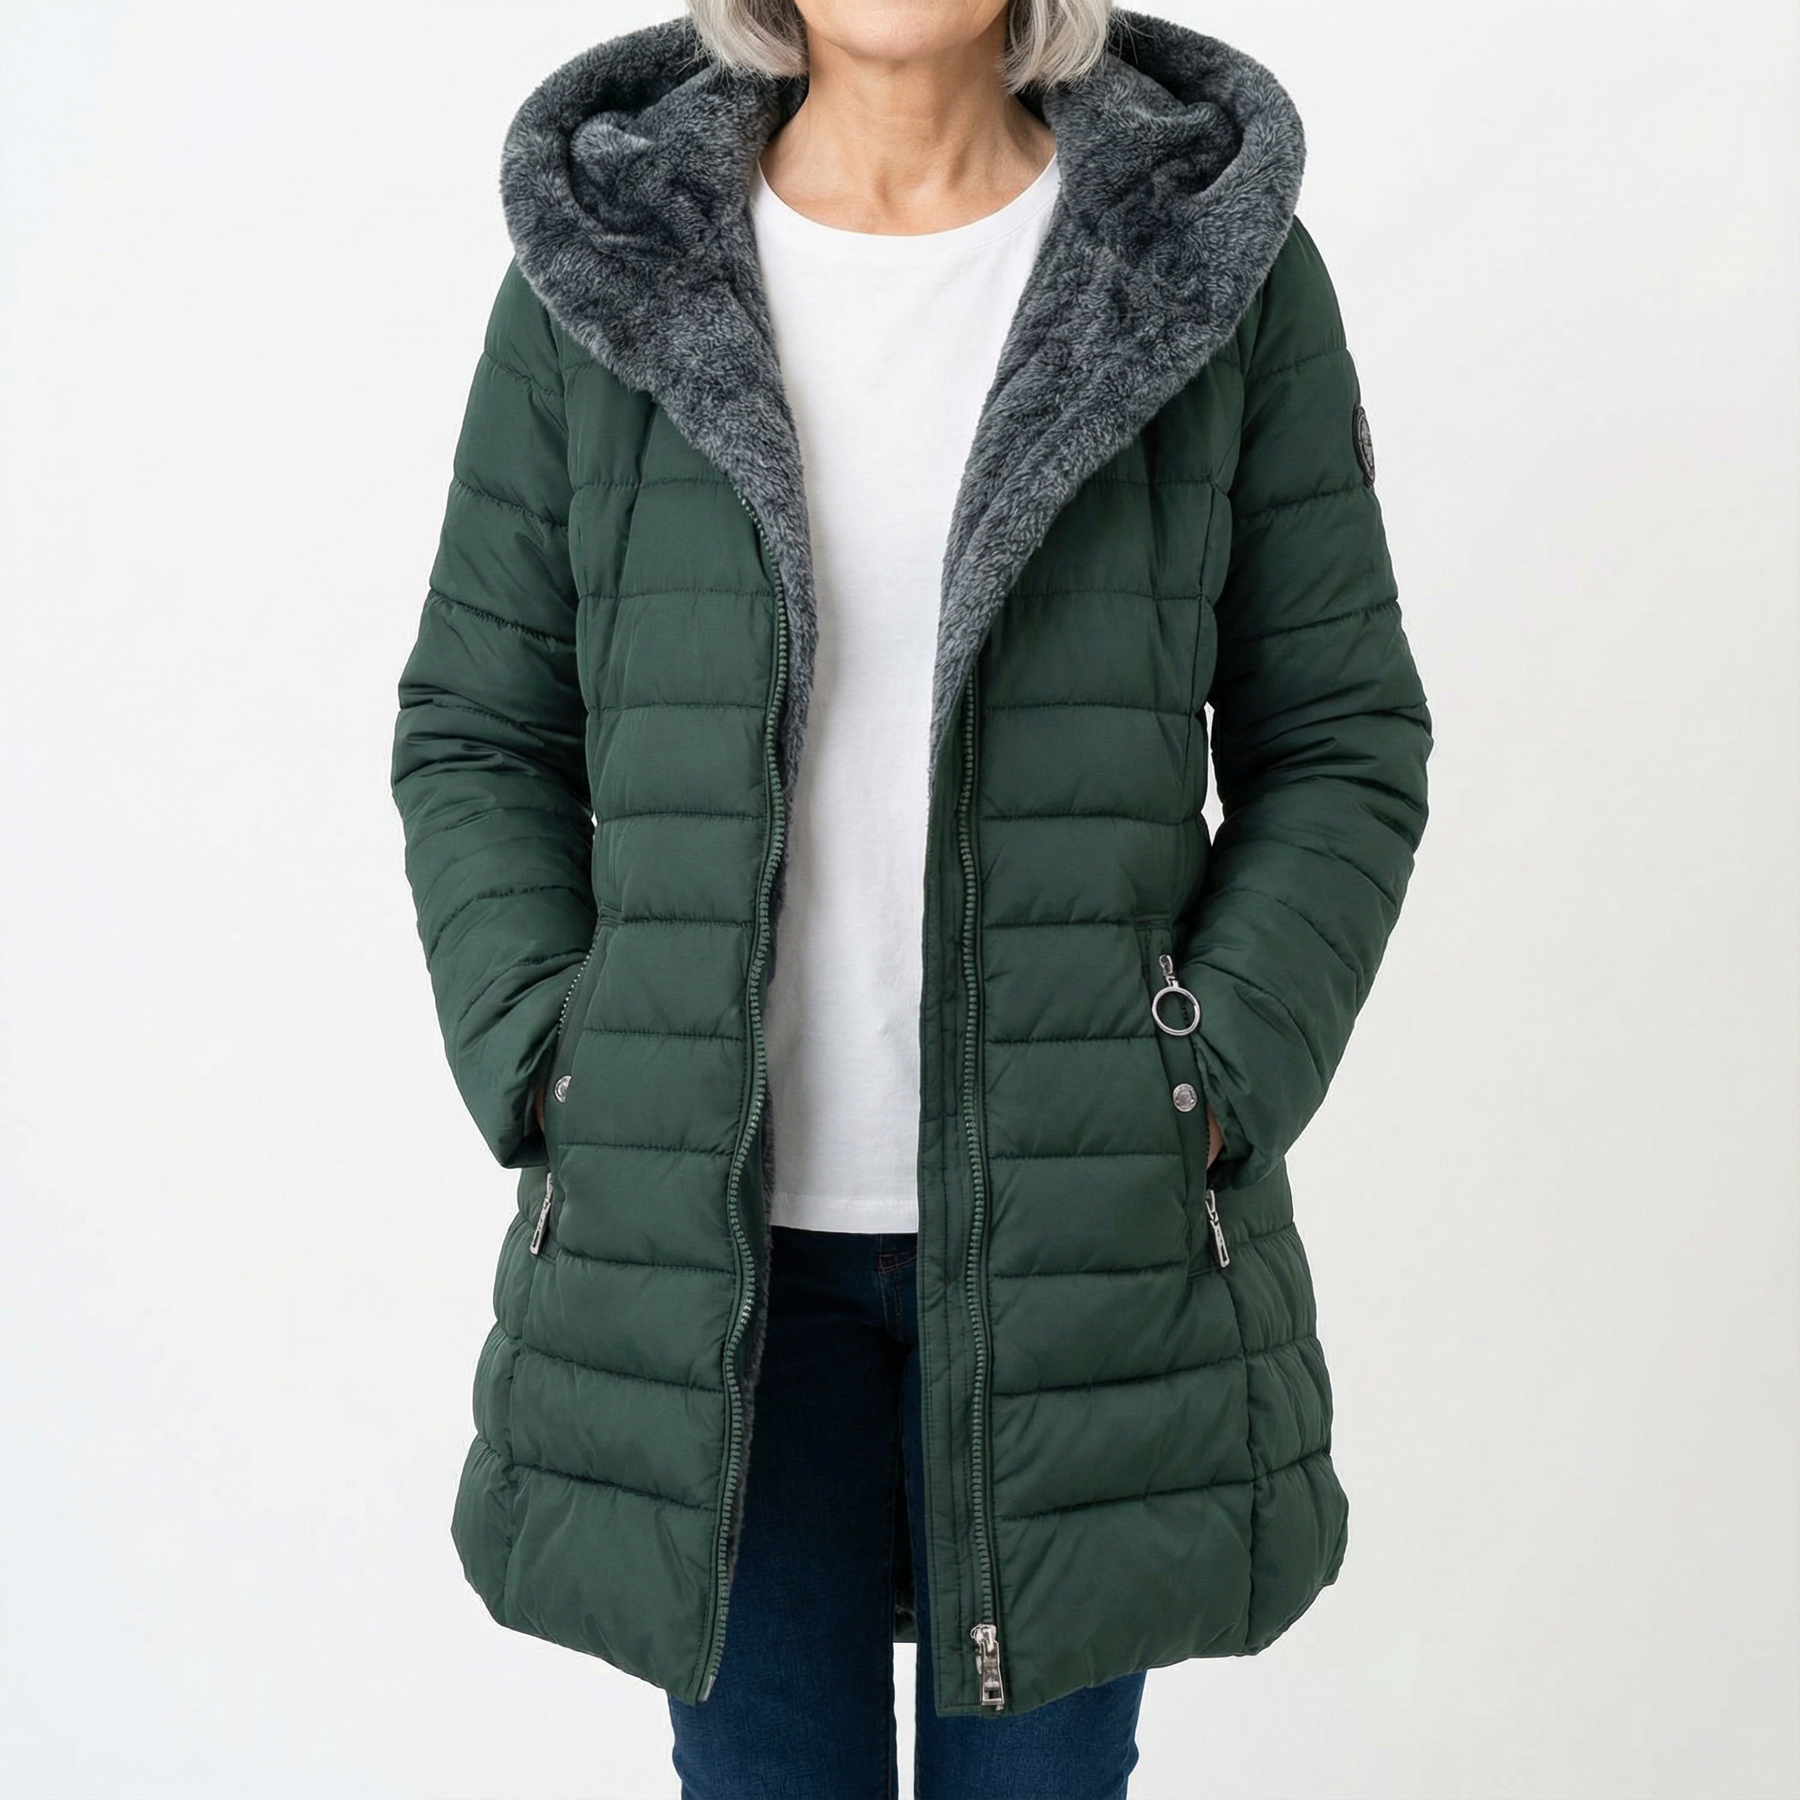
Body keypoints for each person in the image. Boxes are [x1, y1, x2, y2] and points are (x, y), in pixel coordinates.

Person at [390, 0, 1432, 1793]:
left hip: (1076, 1252)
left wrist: (1205, 1083)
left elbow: (1341, 740)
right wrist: (560, 1063)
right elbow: (477, 733)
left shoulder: (1204, 264)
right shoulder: (606, 273)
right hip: (712, 1265)